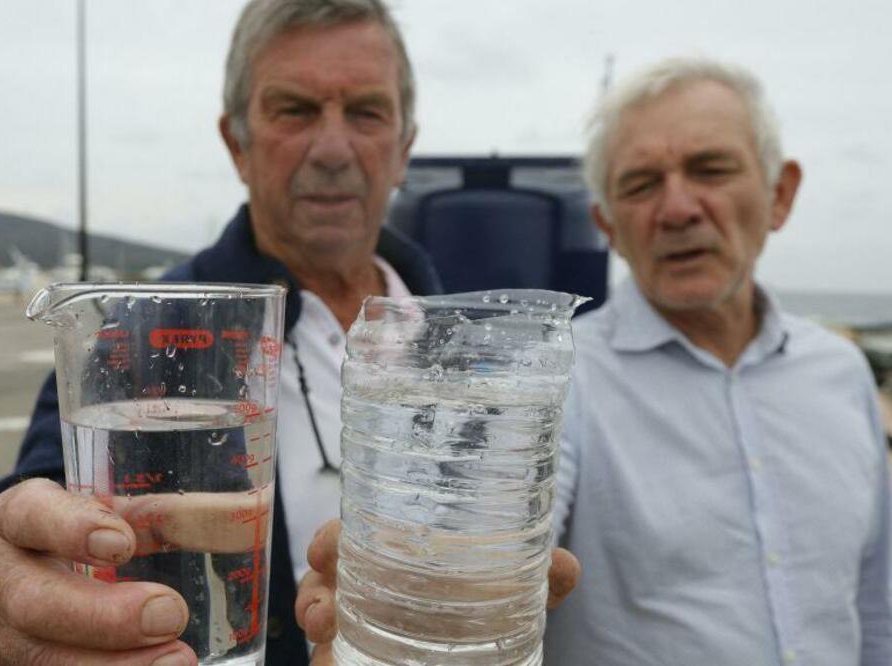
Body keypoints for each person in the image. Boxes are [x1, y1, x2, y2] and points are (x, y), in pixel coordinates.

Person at [0, 2, 580, 665]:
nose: (333, 148)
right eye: (294, 109)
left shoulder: (471, 336)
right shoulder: (149, 328)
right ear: (237, 143)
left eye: (367, 113)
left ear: (404, 146)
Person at [296, 56, 892, 665]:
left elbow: (873, 606)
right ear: (606, 223)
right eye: (640, 184)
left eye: (711, 169)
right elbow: (487, 536)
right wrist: (408, 585)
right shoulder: (556, 378)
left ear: (780, 194)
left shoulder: (841, 373)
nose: (679, 208)